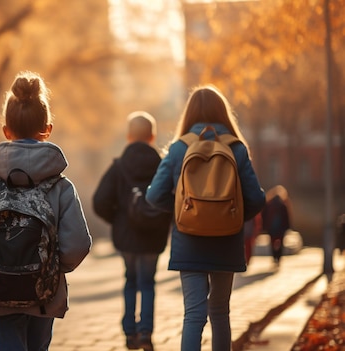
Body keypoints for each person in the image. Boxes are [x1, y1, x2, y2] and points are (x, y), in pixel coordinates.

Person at [0, 71, 92, 351]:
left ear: (6, 129)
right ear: (47, 128)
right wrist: (50, 264)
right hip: (44, 290)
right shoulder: (61, 187)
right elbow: (78, 244)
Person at [145, 84, 265, 351]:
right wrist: (229, 215)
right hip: (227, 240)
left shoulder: (179, 148)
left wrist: (183, 212)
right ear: (223, 113)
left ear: (189, 114)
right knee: (220, 312)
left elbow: (153, 196)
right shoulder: (236, 148)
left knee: (194, 314)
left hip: (189, 239)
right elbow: (257, 199)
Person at [92, 111, 170, 351]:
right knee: (148, 282)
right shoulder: (162, 166)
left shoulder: (119, 166)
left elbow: (99, 201)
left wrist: (118, 219)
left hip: (126, 237)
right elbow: (171, 200)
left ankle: (129, 333)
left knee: (130, 281)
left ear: (128, 136)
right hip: (153, 237)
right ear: (152, 136)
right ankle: (146, 333)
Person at [261, 185, 292, 266]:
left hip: (271, 227)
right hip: (281, 227)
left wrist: (264, 226)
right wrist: (288, 227)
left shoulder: (269, 204)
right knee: (281, 243)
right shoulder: (283, 204)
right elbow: (287, 217)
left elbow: (264, 216)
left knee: (272, 242)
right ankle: (278, 257)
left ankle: (274, 257)